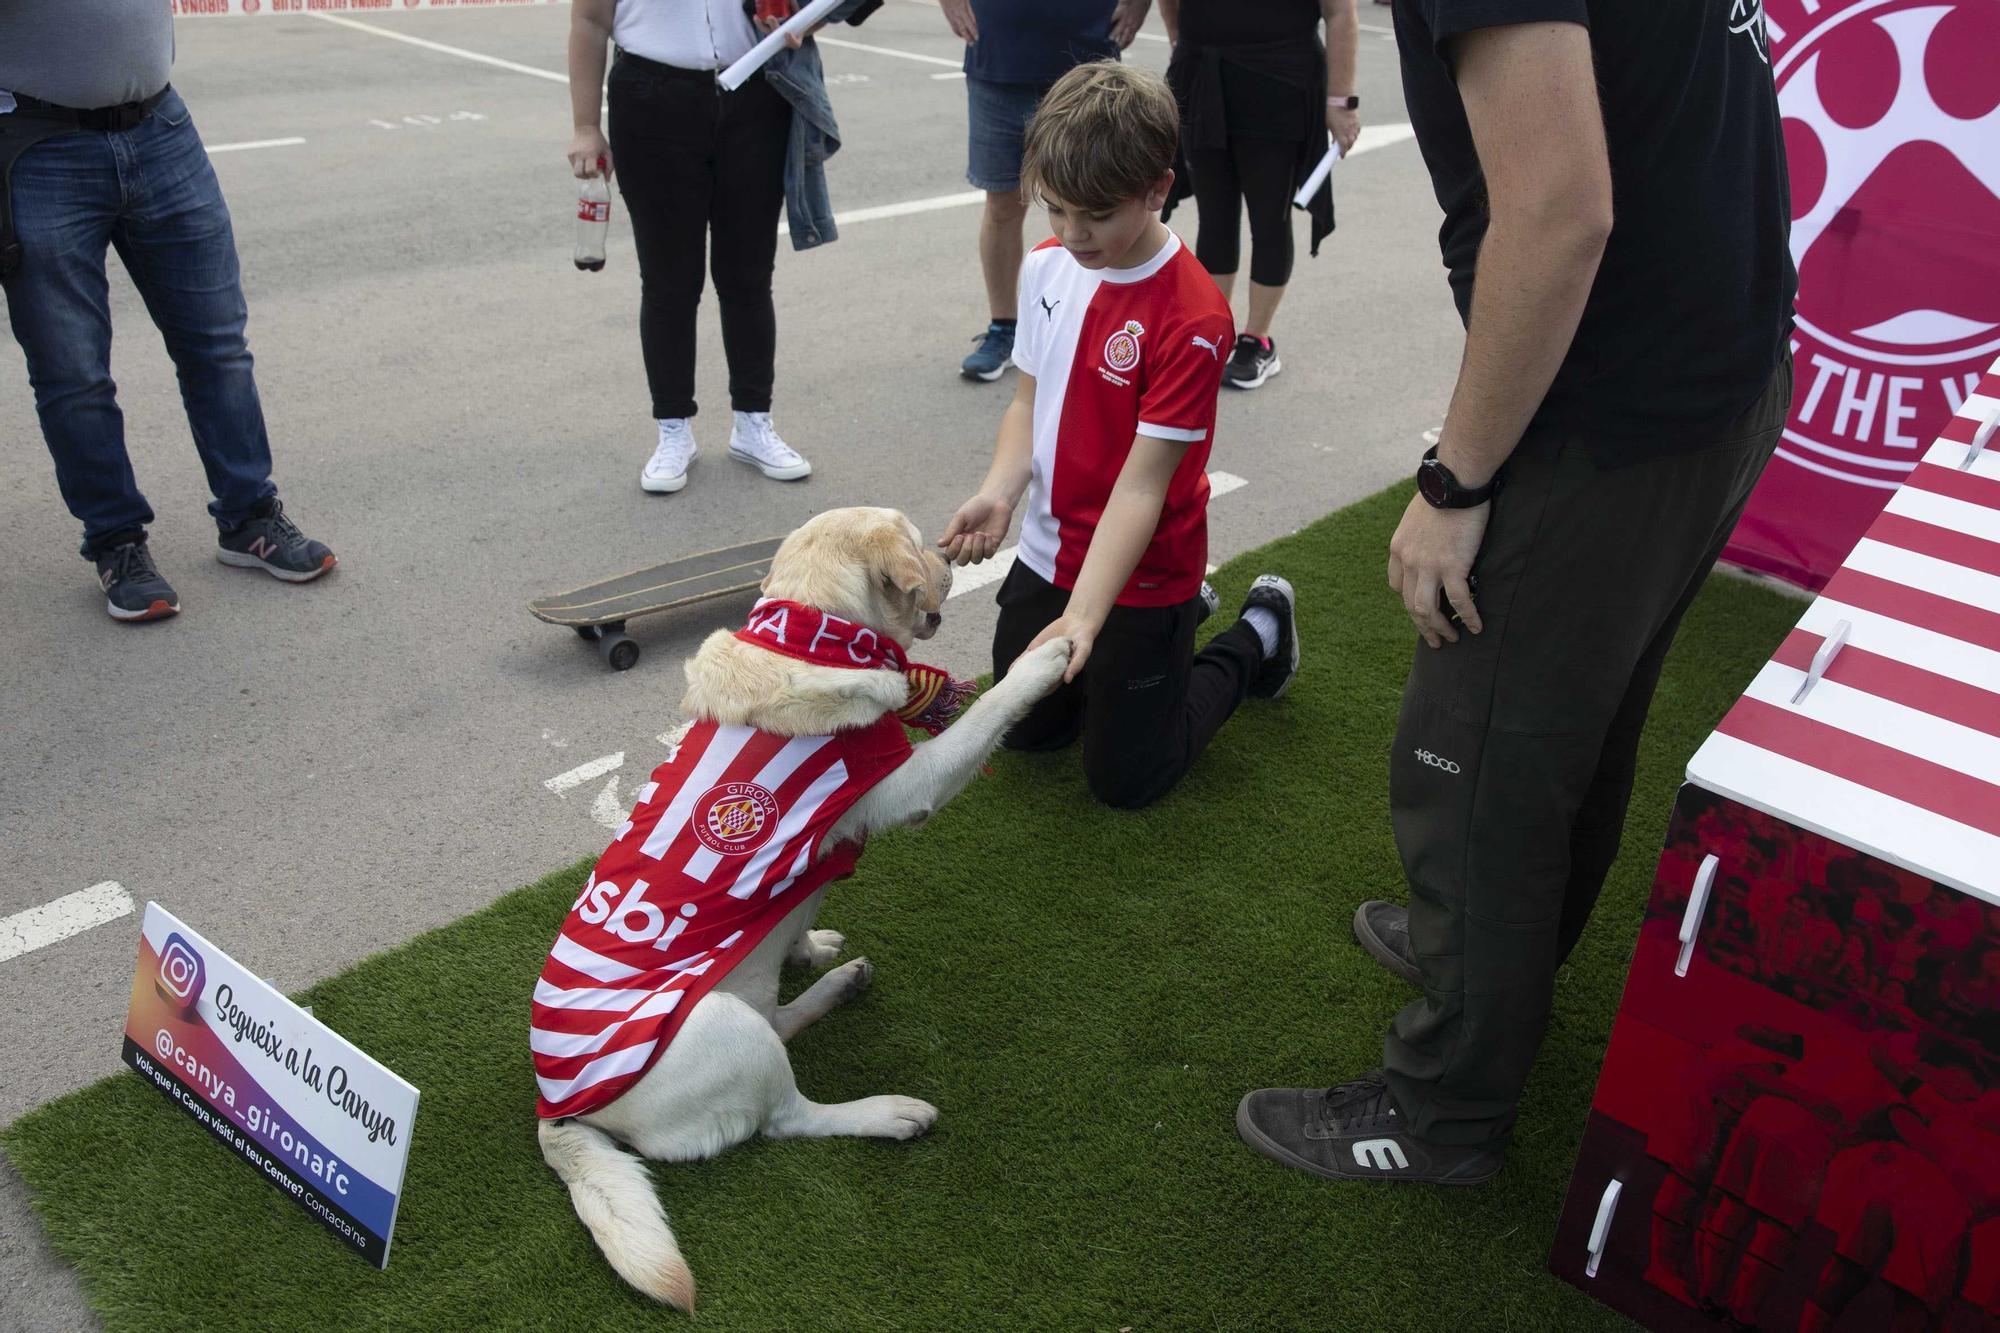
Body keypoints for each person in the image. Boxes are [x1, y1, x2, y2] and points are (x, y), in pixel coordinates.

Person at [1236, 0, 1795, 1184]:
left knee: (1471, 761)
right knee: (1572, 727)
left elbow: (1556, 213)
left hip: (1618, 399)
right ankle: (1502, 962)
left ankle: (1439, 1109)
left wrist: (1455, 476)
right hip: (1717, 362)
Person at [941, 62, 1300, 811]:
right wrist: (1000, 492)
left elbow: (1143, 485)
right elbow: (1027, 401)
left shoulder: (1194, 317)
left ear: (1158, 189)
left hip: (1142, 566)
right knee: (1030, 732)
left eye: (1097, 214)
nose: (1073, 234)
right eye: (1056, 210)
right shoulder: (1046, 267)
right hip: (1050, 550)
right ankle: (1154, 641)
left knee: (1128, 780)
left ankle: (1257, 633)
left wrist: (1086, 616)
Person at [1, 3, 336, 623]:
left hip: (160, 127)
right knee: (72, 373)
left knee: (217, 344)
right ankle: (116, 540)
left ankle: (249, 518)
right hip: (36, 144)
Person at [566, 0, 879, 495]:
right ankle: (674, 429)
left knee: (748, 275)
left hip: (756, 91)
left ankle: (752, 422)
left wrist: (803, 18)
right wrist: (586, 127)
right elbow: (589, 20)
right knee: (670, 280)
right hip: (651, 100)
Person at [938, 0, 1151, 382]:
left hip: (1088, 69)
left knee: (1095, 201)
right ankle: (1004, 328)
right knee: (1003, 205)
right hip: (999, 62)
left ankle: (1105, 332)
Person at [1160, 0, 1359, 390]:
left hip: (1279, 84)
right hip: (1203, 77)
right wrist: (1182, 48)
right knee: (1214, 218)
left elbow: (1340, 13)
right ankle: (1213, 335)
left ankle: (1257, 339)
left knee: (1269, 218)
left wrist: (1341, 102)